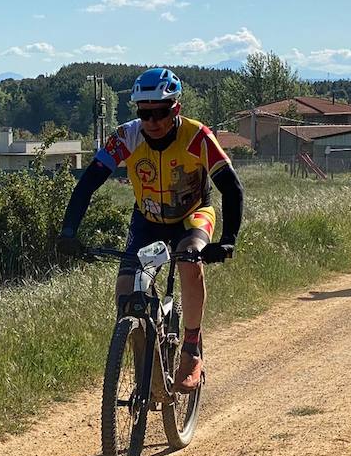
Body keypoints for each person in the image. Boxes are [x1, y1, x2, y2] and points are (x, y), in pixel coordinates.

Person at [57, 67, 243, 392]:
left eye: (161, 112)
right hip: (148, 221)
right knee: (125, 291)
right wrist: (68, 232)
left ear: (176, 109)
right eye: (145, 113)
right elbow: (87, 183)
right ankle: (146, 363)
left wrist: (227, 240)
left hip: (192, 216)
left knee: (189, 261)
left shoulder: (197, 136)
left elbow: (231, 187)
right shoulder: (127, 137)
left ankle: (191, 346)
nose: (152, 121)